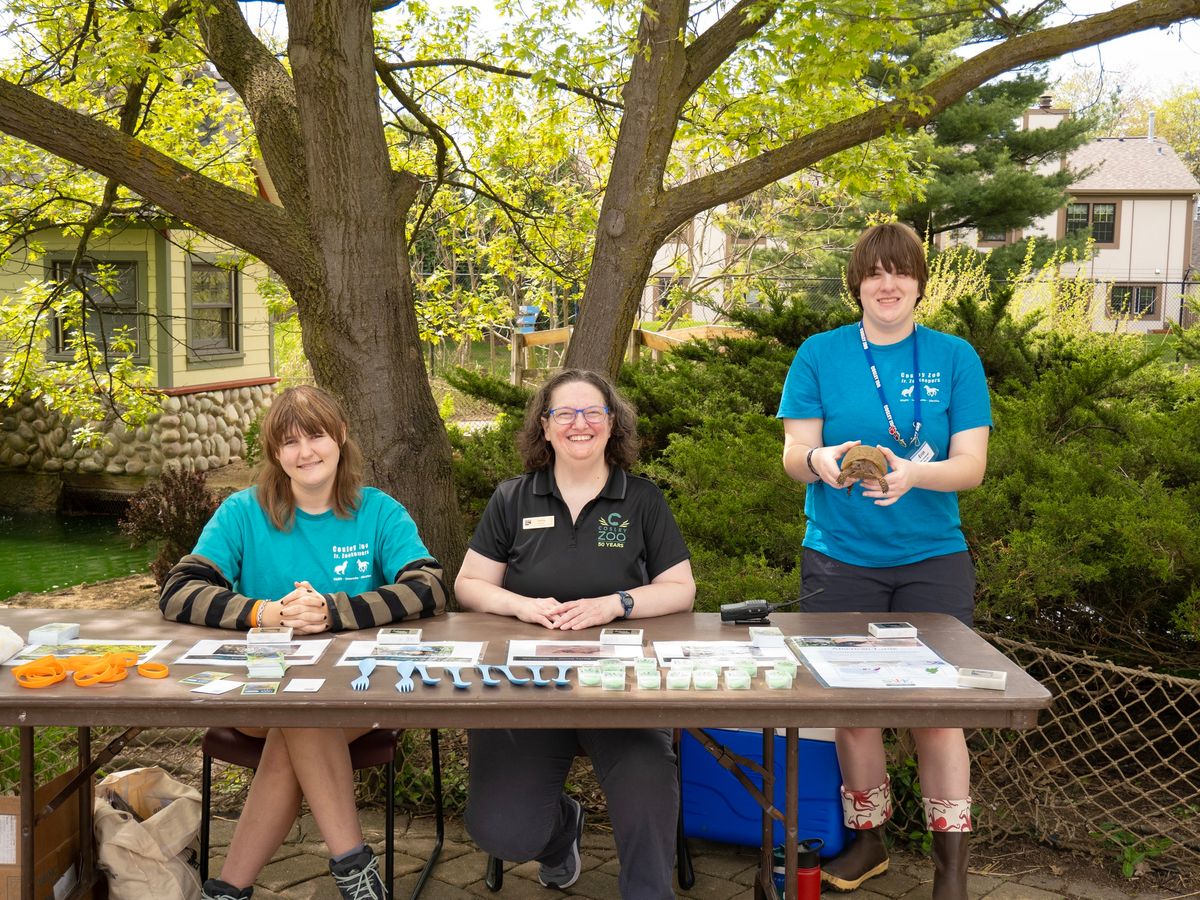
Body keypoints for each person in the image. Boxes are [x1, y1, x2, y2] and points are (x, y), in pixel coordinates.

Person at [160, 385, 448, 900]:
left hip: (360, 691)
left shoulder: (378, 511)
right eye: (289, 442)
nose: (305, 451)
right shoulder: (242, 512)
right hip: (258, 691)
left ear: (339, 436)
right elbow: (180, 589)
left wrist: (335, 611)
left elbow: (428, 585)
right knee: (299, 707)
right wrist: (263, 612)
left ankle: (226, 890)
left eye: (315, 435)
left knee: (303, 713)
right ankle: (357, 874)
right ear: (275, 453)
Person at [777, 222, 992, 900]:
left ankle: (951, 871)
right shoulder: (818, 355)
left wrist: (911, 477)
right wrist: (823, 463)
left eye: (900, 272)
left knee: (938, 711)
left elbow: (972, 466)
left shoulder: (956, 357)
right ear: (858, 284)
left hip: (934, 557)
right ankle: (868, 843)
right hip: (839, 559)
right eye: (875, 273)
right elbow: (793, 454)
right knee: (854, 708)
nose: (888, 284)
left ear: (920, 282)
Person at [455, 369, 695, 899]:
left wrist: (616, 604)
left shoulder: (642, 500)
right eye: (564, 413)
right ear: (545, 426)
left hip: (621, 685)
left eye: (593, 412)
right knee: (503, 832)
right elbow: (469, 584)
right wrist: (523, 606)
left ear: (613, 425)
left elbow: (681, 589)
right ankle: (563, 830)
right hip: (526, 686)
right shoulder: (513, 498)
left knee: (647, 789)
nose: (579, 423)